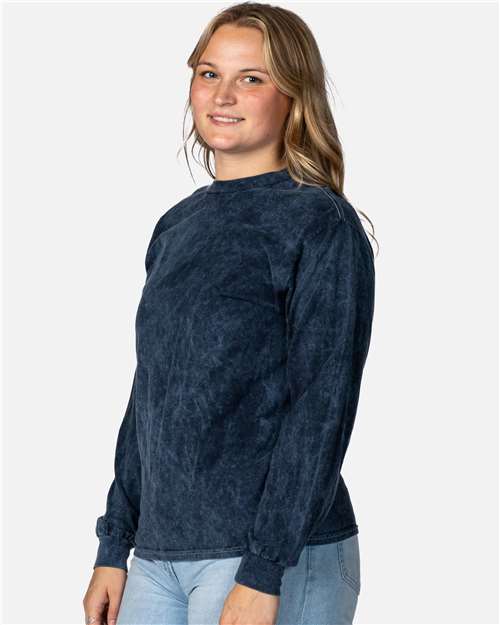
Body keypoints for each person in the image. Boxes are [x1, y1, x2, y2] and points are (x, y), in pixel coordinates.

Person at [82, 3, 377, 624]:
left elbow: (321, 408)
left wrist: (264, 568)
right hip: (159, 555)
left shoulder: (318, 223)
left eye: (252, 78)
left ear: (294, 95)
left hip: (269, 556)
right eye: (209, 73)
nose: (222, 95)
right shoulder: (177, 226)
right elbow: (150, 394)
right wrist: (115, 544)